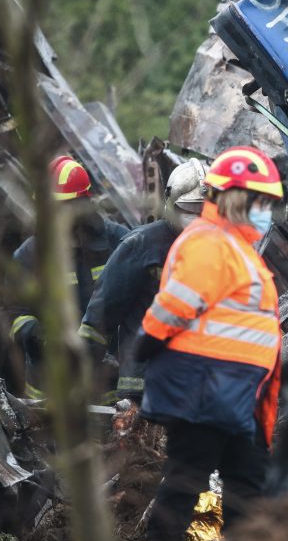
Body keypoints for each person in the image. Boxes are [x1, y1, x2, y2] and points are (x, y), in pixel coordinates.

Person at [138, 146, 283, 541]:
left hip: (237, 396)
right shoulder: (210, 241)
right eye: (261, 201)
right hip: (204, 391)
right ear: (236, 199)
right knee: (188, 482)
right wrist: (146, 344)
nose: (266, 210)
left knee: (246, 489)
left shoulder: (240, 250)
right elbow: (173, 307)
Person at [79, 158, 208, 401]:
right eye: (190, 209)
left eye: (206, 210)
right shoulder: (142, 245)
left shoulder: (220, 250)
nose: (198, 217)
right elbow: (99, 319)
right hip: (145, 388)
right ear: (171, 204)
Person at [8, 155, 128, 398]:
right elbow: (12, 315)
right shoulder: (30, 255)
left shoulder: (120, 243)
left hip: (107, 383)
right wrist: (41, 337)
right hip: (51, 387)